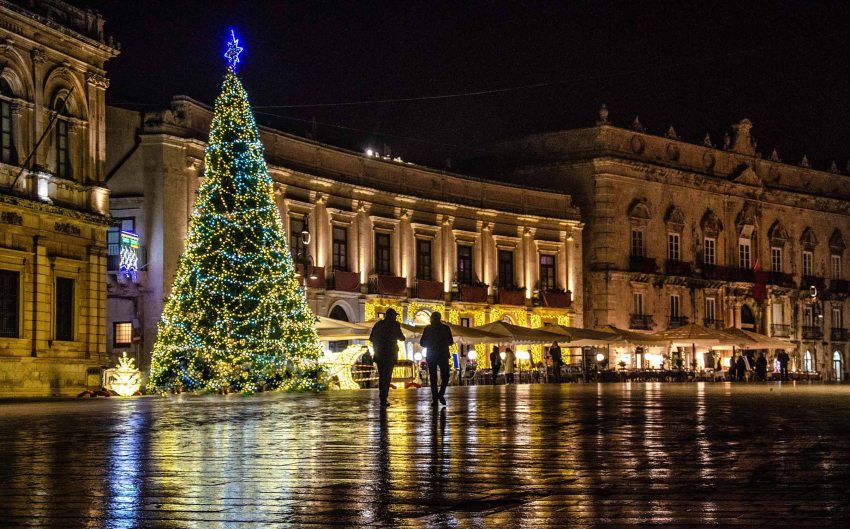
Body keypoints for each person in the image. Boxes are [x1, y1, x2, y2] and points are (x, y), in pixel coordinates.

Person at [368, 308, 405, 407]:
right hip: (390, 354)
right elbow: (402, 337)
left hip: (379, 354)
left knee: (382, 376)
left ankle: (382, 398)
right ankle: (384, 398)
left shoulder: (378, 325)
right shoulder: (394, 325)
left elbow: (371, 338)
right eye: (395, 316)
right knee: (387, 376)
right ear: (392, 316)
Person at [420, 311, 454, 406]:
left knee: (433, 378)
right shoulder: (446, 328)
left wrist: (431, 344)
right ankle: (441, 394)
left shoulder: (428, 329)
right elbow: (451, 342)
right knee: (445, 376)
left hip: (432, 355)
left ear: (431, 319)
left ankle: (435, 399)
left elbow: (422, 343)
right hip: (443, 354)